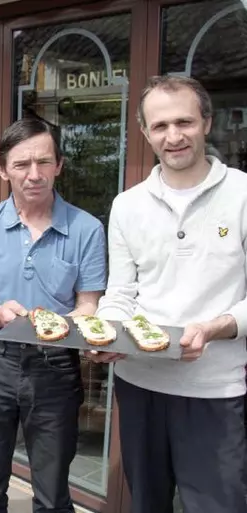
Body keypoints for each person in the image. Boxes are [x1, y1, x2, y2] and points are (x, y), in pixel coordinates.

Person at [92, 75, 247, 513]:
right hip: (139, 384)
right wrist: (106, 333)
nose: (173, 136)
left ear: (207, 123)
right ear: (144, 133)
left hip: (215, 390)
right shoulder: (128, 204)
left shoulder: (242, 194)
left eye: (184, 122)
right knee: (147, 504)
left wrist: (218, 327)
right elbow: (120, 293)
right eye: (160, 126)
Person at [0, 117, 107, 513]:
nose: (34, 175)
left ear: (59, 165)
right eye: (21, 165)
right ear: (1, 169)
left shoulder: (86, 229)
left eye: (43, 162)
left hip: (56, 369)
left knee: (53, 497)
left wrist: (71, 326)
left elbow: (89, 305)